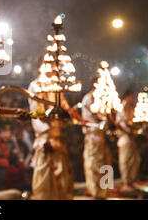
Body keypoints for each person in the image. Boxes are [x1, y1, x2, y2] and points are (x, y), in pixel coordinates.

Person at [27, 70, 75, 200]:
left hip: (57, 137)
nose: (53, 70)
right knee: (45, 177)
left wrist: (70, 114)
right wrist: (50, 120)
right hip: (44, 137)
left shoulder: (56, 86)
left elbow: (65, 108)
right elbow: (36, 113)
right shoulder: (35, 85)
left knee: (62, 177)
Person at [80, 83, 112, 199]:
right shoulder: (90, 98)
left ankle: (102, 191)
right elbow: (96, 115)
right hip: (92, 135)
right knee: (94, 164)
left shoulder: (100, 98)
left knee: (103, 163)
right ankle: (95, 192)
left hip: (100, 136)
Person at [116, 89, 140, 190]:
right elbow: (120, 122)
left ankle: (131, 181)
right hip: (125, 138)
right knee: (125, 161)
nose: (133, 99)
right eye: (132, 97)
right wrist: (128, 132)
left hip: (131, 137)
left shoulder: (131, 107)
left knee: (134, 160)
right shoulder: (122, 106)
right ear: (127, 96)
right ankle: (126, 182)